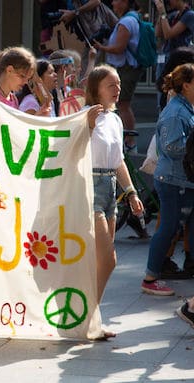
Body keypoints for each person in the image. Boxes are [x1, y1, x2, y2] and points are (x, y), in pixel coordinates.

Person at [85, 65, 144, 319]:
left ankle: (86, 313)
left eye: (119, 84)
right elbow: (69, 149)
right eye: (111, 85)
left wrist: (131, 193)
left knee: (100, 261)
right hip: (89, 187)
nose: (118, 89)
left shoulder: (116, 119)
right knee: (108, 259)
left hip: (110, 190)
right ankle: (89, 316)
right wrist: (86, 126)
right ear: (96, 88)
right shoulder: (84, 115)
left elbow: (118, 160)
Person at [142, 63, 194, 295]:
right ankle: (151, 277)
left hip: (183, 179)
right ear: (186, 85)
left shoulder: (185, 107)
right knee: (168, 227)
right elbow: (172, 146)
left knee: (183, 225)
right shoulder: (176, 113)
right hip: (173, 180)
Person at [93, 0, 144, 152]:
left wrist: (101, 47)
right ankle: (127, 141)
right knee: (122, 104)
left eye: (116, 0)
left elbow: (119, 47)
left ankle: (129, 143)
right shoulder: (130, 18)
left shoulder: (127, 21)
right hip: (125, 68)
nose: (113, 3)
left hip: (125, 68)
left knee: (123, 104)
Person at [153, 0, 194, 111]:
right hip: (166, 59)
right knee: (162, 91)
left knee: (173, 91)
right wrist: (161, 13)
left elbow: (168, 34)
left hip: (179, 60)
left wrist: (162, 12)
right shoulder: (173, 15)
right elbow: (158, 33)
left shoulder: (189, 15)